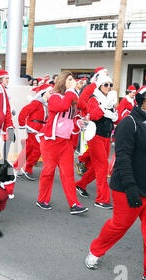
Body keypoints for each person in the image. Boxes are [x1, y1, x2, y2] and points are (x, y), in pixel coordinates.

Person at [85, 85, 146, 280]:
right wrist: (130, 188)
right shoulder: (129, 123)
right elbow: (123, 159)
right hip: (129, 189)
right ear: (141, 102)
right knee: (119, 226)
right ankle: (95, 250)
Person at [36, 71, 88, 215]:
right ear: (63, 81)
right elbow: (62, 107)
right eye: (69, 79)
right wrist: (71, 91)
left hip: (65, 142)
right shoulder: (54, 97)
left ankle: (74, 204)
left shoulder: (71, 98)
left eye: (73, 79)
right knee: (48, 172)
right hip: (51, 141)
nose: (73, 81)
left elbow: (72, 118)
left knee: (68, 174)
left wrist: (80, 122)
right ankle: (42, 199)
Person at [75, 75, 118, 209]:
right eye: (106, 84)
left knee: (96, 167)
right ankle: (102, 199)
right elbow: (93, 115)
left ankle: (80, 184)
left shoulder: (109, 100)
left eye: (110, 85)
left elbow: (115, 119)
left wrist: (111, 110)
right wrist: (105, 106)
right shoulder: (94, 98)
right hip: (95, 136)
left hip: (106, 137)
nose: (109, 87)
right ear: (99, 85)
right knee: (102, 167)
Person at [14, 84, 52, 180]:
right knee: (39, 149)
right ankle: (28, 168)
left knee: (28, 149)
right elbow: (23, 112)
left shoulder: (47, 104)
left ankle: (16, 167)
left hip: (40, 130)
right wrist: (22, 125)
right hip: (33, 128)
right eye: (50, 92)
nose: (52, 93)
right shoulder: (37, 102)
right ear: (44, 92)